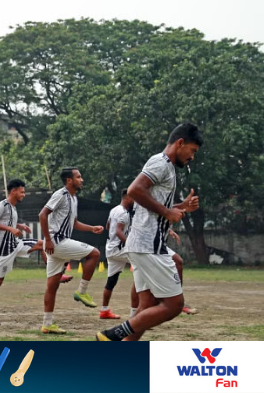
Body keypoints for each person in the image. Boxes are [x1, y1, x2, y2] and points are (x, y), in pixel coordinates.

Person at [98, 123, 203, 341]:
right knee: (174, 306)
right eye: (192, 151)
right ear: (180, 143)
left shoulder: (167, 167)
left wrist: (181, 206)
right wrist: (167, 212)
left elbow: (153, 203)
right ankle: (113, 334)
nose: (192, 157)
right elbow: (135, 190)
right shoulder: (161, 163)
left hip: (144, 244)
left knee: (147, 305)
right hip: (148, 246)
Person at [38, 167, 104, 334]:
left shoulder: (73, 199)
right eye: (78, 177)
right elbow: (42, 214)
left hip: (56, 245)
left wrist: (91, 228)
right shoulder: (61, 194)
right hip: (57, 242)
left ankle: (47, 324)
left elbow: (74, 223)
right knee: (94, 254)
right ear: (69, 180)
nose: (82, 180)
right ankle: (81, 292)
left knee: (52, 286)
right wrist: (48, 239)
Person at [0, 179, 43, 326]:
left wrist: (19, 225)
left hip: (16, 244)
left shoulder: (13, 208)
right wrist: (11, 229)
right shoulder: (3, 204)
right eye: (22, 192)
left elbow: (6, 222)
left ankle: (56, 274)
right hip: (5, 250)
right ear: (13, 191)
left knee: (42, 244)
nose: (24, 194)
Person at [100, 189, 136, 319]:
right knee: (141, 271)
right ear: (127, 198)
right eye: (134, 198)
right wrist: (129, 244)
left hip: (110, 248)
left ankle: (104, 311)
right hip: (120, 249)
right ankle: (134, 315)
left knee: (112, 280)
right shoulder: (124, 213)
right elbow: (118, 231)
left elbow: (108, 226)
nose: (135, 202)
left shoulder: (114, 210)